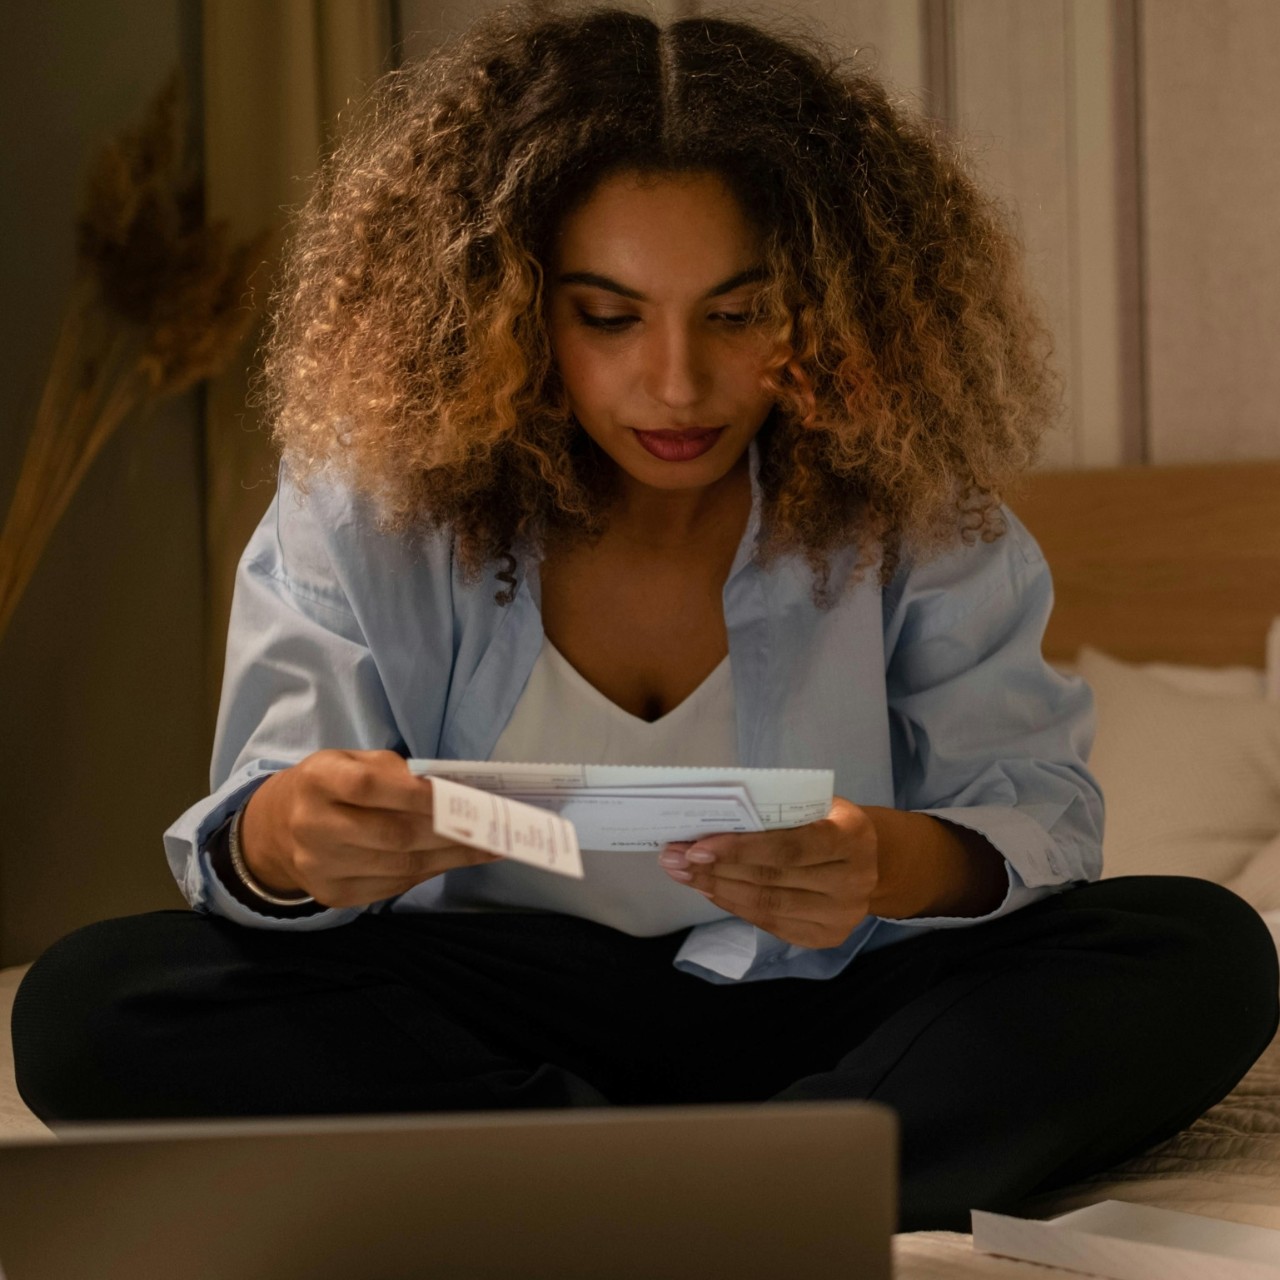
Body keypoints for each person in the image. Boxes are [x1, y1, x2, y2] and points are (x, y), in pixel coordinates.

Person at [12, 3, 1277, 1232]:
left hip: (828, 1003)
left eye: (737, 313)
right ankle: (747, 1186)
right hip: (485, 1010)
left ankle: (627, 1187)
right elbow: (257, 830)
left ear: (831, 304)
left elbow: (1038, 819)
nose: (676, 381)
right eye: (607, 316)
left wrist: (883, 860)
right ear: (507, 304)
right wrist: (293, 836)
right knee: (90, 1002)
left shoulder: (919, 515)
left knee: (1201, 950)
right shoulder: (365, 506)